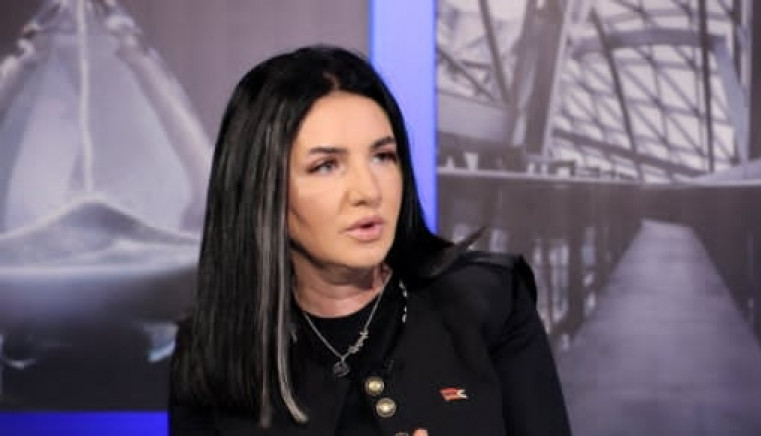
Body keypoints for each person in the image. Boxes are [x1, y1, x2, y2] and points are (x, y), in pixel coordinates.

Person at [169, 45, 571, 436]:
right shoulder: (210, 352)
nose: (368, 191)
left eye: (383, 157)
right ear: (261, 191)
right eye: (326, 166)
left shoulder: (488, 301)